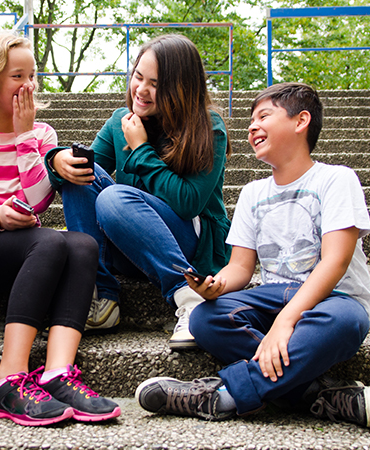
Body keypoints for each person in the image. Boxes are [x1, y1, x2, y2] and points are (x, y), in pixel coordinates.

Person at [135, 82, 370, 429]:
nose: (251, 127)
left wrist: (286, 322)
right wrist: (216, 286)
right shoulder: (252, 193)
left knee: (344, 322)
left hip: (333, 299)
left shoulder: (336, 179)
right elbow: (241, 268)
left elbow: (335, 262)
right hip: (275, 298)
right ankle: (313, 393)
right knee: (205, 319)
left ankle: (222, 395)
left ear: (301, 121)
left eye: (264, 116)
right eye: (250, 119)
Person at [0, 31, 120, 427]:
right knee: (52, 241)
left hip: (30, 247)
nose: (29, 85)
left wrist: (23, 136)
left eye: (32, 75)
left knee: (83, 244)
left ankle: (57, 374)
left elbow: (36, 203)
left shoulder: (42, 134)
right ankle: (7, 379)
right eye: (18, 76)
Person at [44, 34, 231, 349]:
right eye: (137, 77)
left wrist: (141, 148)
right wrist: (56, 159)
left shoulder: (207, 127)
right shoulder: (122, 120)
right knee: (80, 171)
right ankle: (102, 298)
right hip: (130, 245)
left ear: (181, 87)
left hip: (189, 247)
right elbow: (86, 172)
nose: (141, 90)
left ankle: (187, 299)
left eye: (155, 84)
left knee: (114, 198)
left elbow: (188, 203)